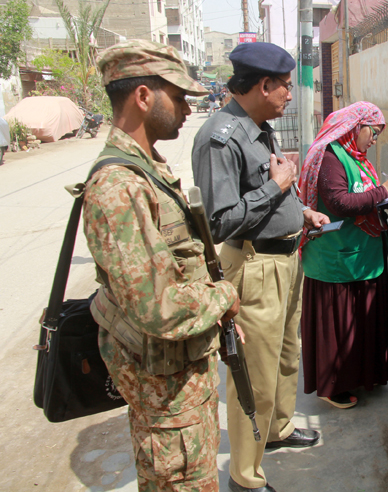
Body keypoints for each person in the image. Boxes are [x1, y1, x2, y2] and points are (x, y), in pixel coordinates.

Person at [83, 39, 241, 491]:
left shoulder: (146, 171)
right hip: (166, 399)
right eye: (179, 96)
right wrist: (224, 297)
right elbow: (160, 307)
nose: (188, 109)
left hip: (182, 387)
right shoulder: (118, 187)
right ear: (143, 96)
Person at [191, 41, 329, 492]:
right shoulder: (221, 137)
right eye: (284, 87)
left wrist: (300, 211)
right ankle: (245, 476)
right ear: (262, 85)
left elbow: (276, 186)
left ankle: (278, 431)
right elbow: (221, 221)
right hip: (254, 265)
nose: (290, 94)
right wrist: (276, 188)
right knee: (254, 375)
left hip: (287, 260)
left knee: (288, 356)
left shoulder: (258, 126)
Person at [297, 102, 388, 408]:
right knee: (340, 323)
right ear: (356, 127)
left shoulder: (358, 158)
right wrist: (383, 191)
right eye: (373, 133)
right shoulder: (330, 156)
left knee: (361, 320)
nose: (374, 141)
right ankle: (335, 384)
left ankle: (364, 374)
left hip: (362, 253)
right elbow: (340, 201)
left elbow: (367, 198)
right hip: (337, 256)